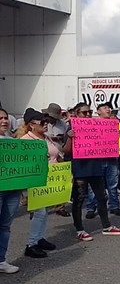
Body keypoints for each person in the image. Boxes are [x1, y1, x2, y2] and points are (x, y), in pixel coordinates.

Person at [63, 103, 120, 240]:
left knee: (102, 197)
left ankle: (106, 226)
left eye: (89, 112)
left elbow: (105, 144)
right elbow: (66, 151)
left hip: (96, 168)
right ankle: (79, 229)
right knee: (79, 200)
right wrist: (70, 137)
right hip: (80, 169)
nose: (87, 115)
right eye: (84, 113)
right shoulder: (72, 128)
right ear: (76, 114)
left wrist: (115, 136)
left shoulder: (97, 126)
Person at [18, 108, 61, 258]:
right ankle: (31, 245)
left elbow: (55, 155)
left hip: (50, 180)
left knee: (44, 212)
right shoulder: (26, 141)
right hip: (35, 182)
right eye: (43, 122)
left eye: (47, 121)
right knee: (39, 212)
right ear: (31, 125)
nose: (46, 124)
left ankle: (39, 238)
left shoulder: (46, 137)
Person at [86, 102, 120, 216]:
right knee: (94, 185)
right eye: (105, 107)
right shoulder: (92, 124)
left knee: (113, 184)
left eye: (109, 108)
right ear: (98, 111)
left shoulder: (114, 124)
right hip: (97, 159)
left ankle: (114, 206)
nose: (108, 109)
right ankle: (91, 208)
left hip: (111, 158)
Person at [0, 107, 22, 273]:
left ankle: (1, 260)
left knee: (5, 226)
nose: (4, 121)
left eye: (6, 118)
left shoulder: (13, 141)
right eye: (0, 118)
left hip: (13, 189)